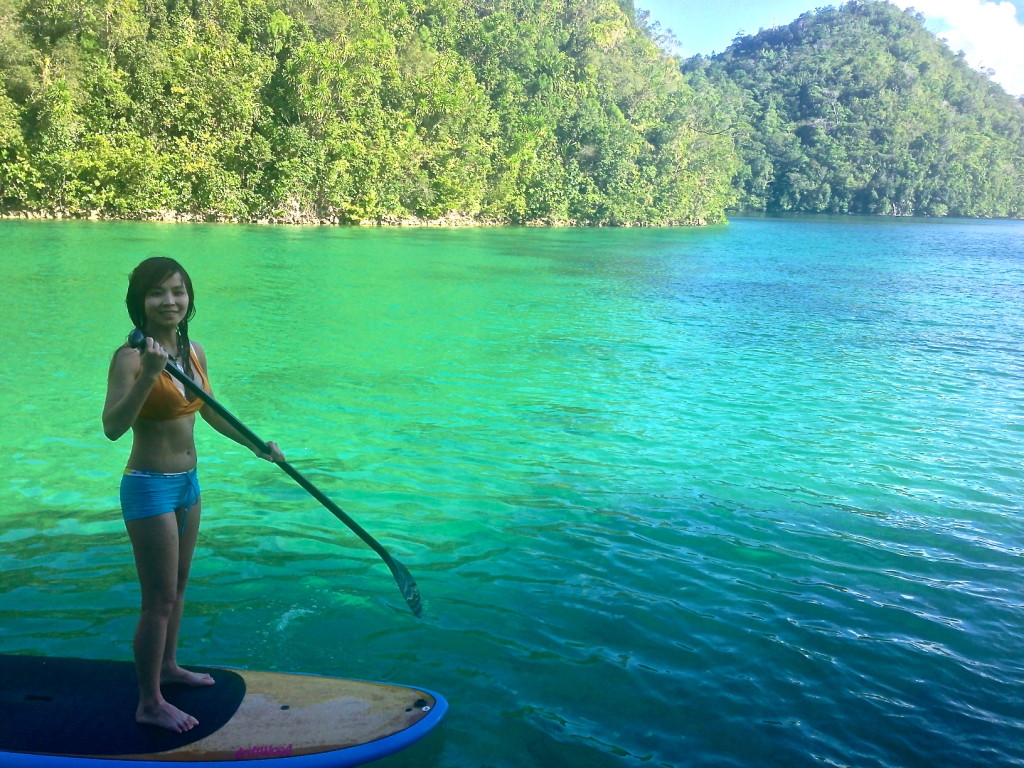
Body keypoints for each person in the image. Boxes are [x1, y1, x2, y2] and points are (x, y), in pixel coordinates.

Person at [102, 257, 284, 733]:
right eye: (157, 292)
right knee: (158, 600)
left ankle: (168, 667)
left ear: (189, 298)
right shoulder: (130, 358)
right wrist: (148, 375)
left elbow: (212, 412)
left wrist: (256, 446)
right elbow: (112, 428)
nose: (170, 301)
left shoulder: (194, 352)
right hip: (149, 486)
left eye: (178, 291)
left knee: (179, 588)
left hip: (189, 483)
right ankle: (149, 702)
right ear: (140, 302)